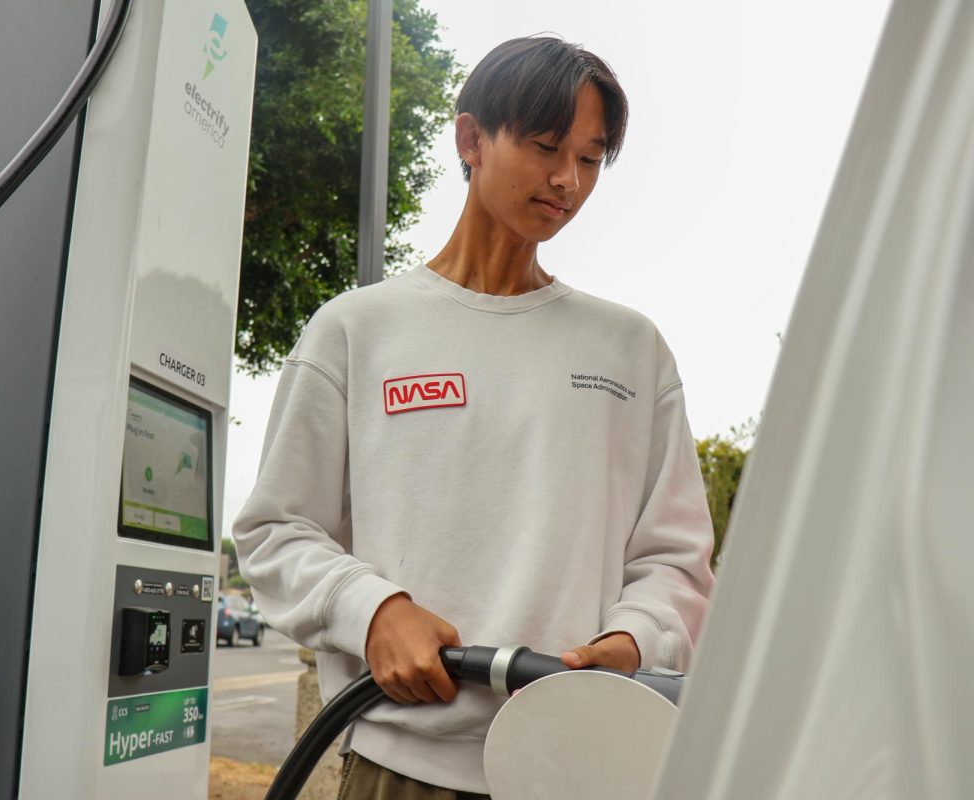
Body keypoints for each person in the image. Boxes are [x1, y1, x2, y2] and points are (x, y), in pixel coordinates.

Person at [233, 35, 716, 799]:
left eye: (590, 160)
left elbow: (676, 560)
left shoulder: (631, 351)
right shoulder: (358, 330)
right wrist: (374, 612)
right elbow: (274, 530)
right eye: (547, 145)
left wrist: (635, 640)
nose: (568, 181)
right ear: (471, 139)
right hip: (401, 767)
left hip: (577, 766)